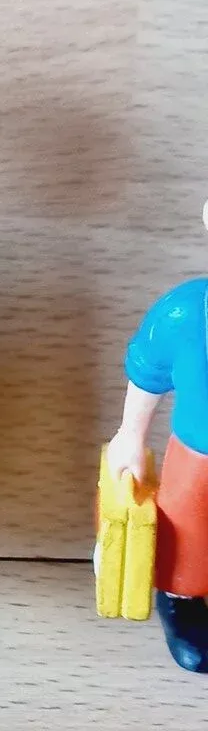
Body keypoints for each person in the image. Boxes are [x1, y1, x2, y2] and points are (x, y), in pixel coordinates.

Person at [106, 199, 208, 672]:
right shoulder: (185, 313)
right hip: (196, 455)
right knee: (185, 527)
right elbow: (148, 372)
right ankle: (182, 599)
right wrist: (130, 435)